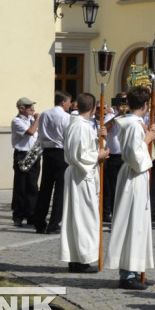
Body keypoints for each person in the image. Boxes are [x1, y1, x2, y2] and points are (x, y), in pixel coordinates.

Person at [107, 86, 155, 291]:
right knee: (132, 223)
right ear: (146, 105)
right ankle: (127, 274)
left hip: (135, 176)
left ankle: (136, 269)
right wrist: (149, 138)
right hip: (133, 176)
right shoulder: (134, 126)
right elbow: (136, 157)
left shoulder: (132, 123)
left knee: (140, 224)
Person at [60, 92, 108, 273]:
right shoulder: (80, 126)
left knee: (78, 217)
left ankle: (76, 258)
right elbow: (80, 155)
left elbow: (82, 147)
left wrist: (98, 136)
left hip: (79, 176)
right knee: (83, 219)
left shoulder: (80, 125)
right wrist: (100, 155)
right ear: (94, 108)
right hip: (82, 176)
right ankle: (81, 259)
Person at [33, 91, 73, 234]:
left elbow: (41, 131)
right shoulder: (66, 117)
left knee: (45, 188)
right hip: (60, 152)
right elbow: (68, 136)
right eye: (69, 102)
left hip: (48, 152)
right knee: (60, 190)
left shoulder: (44, 114)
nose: (70, 104)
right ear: (63, 102)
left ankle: (39, 222)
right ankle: (54, 223)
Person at [10, 96, 40, 228]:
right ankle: (18, 215)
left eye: (32, 106)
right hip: (22, 154)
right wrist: (37, 120)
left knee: (33, 187)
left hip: (33, 154)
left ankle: (31, 215)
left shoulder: (32, 119)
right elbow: (30, 132)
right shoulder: (17, 121)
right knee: (21, 187)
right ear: (21, 108)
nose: (32, 108)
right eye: (28, 107)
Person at [102, 93, 128, 222]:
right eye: (121, 102)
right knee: (112, 187)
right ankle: (111, 213)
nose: (124, 105)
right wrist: (118, 116)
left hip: (125, 156)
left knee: (124, 187)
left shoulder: (131, 116)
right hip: (113, 155)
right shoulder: (111, 116)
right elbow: (104, 128)